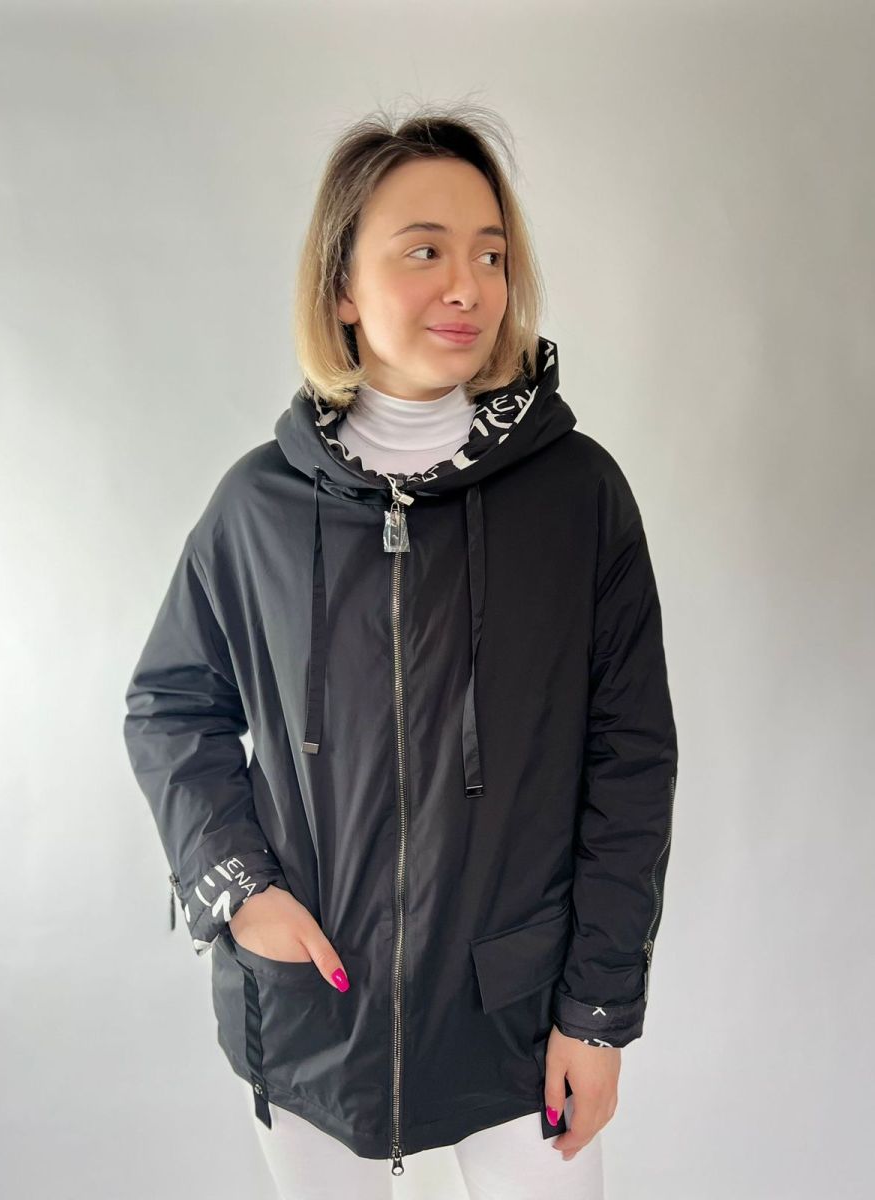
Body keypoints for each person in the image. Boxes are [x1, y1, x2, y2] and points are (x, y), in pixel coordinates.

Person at [123, 101, 678, 1200]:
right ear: (341, 286)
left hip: (516, 1018)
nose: (467, 285)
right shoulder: (257, 507)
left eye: (490, 254)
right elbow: (171, 707)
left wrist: (598, 1012)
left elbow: (631, 763)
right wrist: (238, 888)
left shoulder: (578, 498)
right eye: (425, 251)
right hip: (309, 1007)